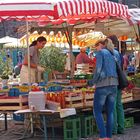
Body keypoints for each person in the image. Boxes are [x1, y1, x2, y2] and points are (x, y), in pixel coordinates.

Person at [92, 38, 119, 140]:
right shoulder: (115, 53)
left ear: (101, 44)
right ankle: (109, 136)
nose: (96, 48)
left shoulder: (101, 53)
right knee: (110, 112)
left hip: (102, 85)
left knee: (97, 111)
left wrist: (92, 81)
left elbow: (98, 70)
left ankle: (103, 137)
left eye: (96, 46)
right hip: (114, 85)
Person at [108, 35, 125, 135]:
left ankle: (113, 129)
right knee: (119, 105)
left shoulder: (109, 54)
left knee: (112, 106)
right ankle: (121, 128)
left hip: (112, 82)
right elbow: (122, 68)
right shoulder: (119, 54)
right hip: (119, 82)